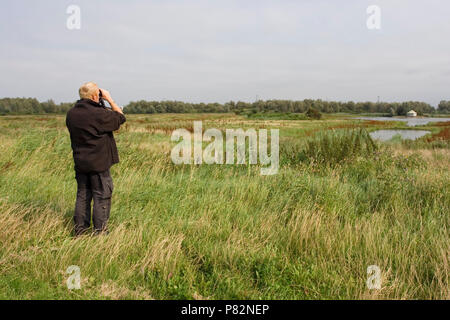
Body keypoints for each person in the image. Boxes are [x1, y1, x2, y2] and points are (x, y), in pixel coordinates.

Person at [66, 82, 126, 236]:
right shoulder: (98, 114)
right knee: (102, 196)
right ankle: (100, 233)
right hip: (98, 164)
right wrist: (109, 99)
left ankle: (80, 232)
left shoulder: (72, 113)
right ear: (95, 96)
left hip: (81, 162)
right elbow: (120, 118)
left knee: (82, 196)